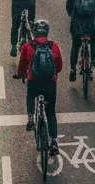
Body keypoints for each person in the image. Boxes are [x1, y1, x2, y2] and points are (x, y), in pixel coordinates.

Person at [15, 18, 62, 154]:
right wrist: (54, 75)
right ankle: (53, 142)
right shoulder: (54, 46)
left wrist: (21, 74)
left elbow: (22, 65)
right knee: (51, 113)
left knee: (30, 95)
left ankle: (30, 118)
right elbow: (58, 66)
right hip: (50, 83)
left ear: (34, 32)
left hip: (34, 81)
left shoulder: (28, 46)